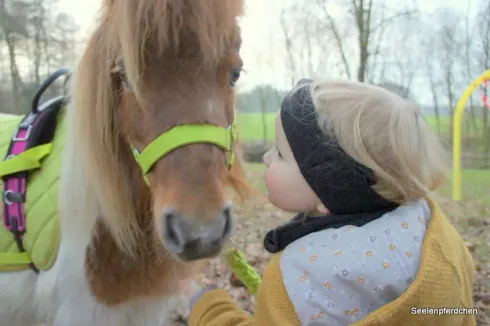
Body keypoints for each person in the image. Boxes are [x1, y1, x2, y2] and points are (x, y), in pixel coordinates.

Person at [185, 79, 475, 325]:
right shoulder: (439, 241)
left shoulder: (298, 285)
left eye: (281, 154)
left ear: (331, 192)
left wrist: (208, 306)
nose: (266, 157)